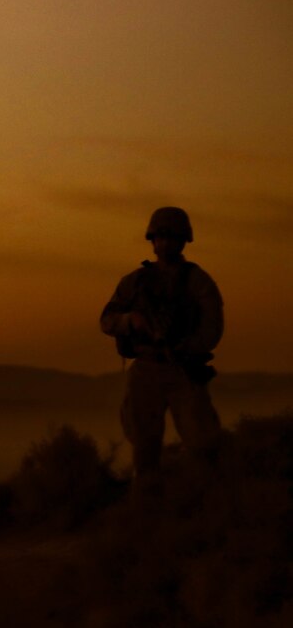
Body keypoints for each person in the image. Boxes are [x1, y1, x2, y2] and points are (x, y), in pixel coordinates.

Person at [100, 206, 222, 496]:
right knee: (144, 446)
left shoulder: (198, 281)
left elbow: (212, 327)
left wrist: (185, 347)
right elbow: (107, 320)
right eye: (161, 237)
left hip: (183, 369)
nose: (165, 243)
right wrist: (130, 321)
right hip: (146, 369)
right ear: (152, 240)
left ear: (183, 241)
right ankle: (147, 503)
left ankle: (205, 501)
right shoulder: (135, 282)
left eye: (172, 237)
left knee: (203, 443)